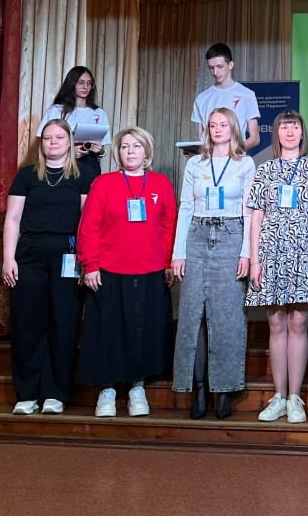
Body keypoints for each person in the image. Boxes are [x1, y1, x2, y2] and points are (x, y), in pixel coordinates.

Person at [77, 127, 177, 418]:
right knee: (108, 331)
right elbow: (89, 227)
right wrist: (90, 264)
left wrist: (169, 262)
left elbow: (170, 226)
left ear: (147, 152)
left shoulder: (161, 184)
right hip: (109, 270)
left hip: (151, 270)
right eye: (124, 146)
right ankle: (107, 389)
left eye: (136, 146)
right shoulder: (103, 184)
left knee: (144, 331)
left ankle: (137, 387)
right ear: (118, 152)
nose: (130, 151)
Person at [170, 108, 257, 420]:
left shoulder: (245, 163)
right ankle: (198, 389)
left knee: (228, 317)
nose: (217, 129)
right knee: (193, 314)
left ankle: (224, 391)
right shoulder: (195, 163)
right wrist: (178, 252)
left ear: (233, 128)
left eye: (223, 124)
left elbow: (249, 211)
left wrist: (246, 253)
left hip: (232, 234)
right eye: (212, 125)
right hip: (197, 234)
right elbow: (185, 207)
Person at [2, 118, 91, 415]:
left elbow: (87, 222)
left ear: (70, 142)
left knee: (63, 322)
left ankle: (55, 393)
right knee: (27, 323)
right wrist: (9, 258)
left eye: (59, 137)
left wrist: (86, 260)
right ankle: (27, 393)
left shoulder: (83, 175)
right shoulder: (27, 175)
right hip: (30, 252)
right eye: (48, 138)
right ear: (41, 143)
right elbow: (12, 219)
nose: (53, 142)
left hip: (68, 252)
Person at [245, 111, 308, 424]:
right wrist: (255, 260)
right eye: (284, 127)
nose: (290, 132)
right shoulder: (265, 169)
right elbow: (256, 217)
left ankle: (295, 397)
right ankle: (278, 396)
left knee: (299, 322)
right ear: (276, 133)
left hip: (305, 251)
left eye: (295, 127)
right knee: (276, 323)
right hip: (272, 253)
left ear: (302, 133)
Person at [38, 66, 109, 184]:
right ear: (72, 84)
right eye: (81, 83)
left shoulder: (99, 113)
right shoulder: (55, 111)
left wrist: (100, 151)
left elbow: (102, 149)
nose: (86, 87)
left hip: (90, 163)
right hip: (62, 162)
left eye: (89, 83)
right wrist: (69, 153)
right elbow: (43, 143)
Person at [190, 43, 261, 152]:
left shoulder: (247, 95)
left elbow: (254, 138)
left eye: (220, 67)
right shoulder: (201, 99)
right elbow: (201, 138)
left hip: (235, 159)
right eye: (211, 68)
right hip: (209, 158)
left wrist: (231, 152)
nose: (215, 72)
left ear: (230, 65)